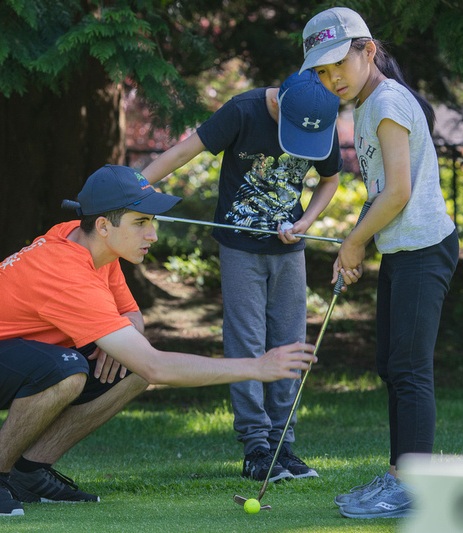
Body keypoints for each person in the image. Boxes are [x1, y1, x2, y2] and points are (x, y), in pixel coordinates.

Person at [0, 164, 317, 518]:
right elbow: (156, 365)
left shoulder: (89, 243)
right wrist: (258, 366)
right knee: (70, 371)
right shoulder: (66, 270)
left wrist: (122, 347)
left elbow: (132, 316)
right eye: (141, 222)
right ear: (105, 226)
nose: (153, 234)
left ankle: (29, 472)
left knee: (131, 373)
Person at [140, 70, 343, 483]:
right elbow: (185, 152)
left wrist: (305, 221)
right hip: (240, 249)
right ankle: (256, 447)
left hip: (289, 250)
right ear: (276, 105)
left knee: (291, 343)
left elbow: (330, 178)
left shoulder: (319, 116)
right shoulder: (243, 110)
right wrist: (133, 186)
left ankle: (283, 446)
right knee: (247, 343)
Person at [299, 6, 460, 519]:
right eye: (321, 72)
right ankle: (398, 474)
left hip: (423, 249)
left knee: (410, 370)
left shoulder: (388, 101)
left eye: (337, 66)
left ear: (368, 51)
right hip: (401, 248)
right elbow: (381, 193)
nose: (331, 79)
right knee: (391, 366)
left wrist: (353, 242)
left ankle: (413, 484)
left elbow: (398, 193)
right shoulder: (367, 103)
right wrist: (362, 242)